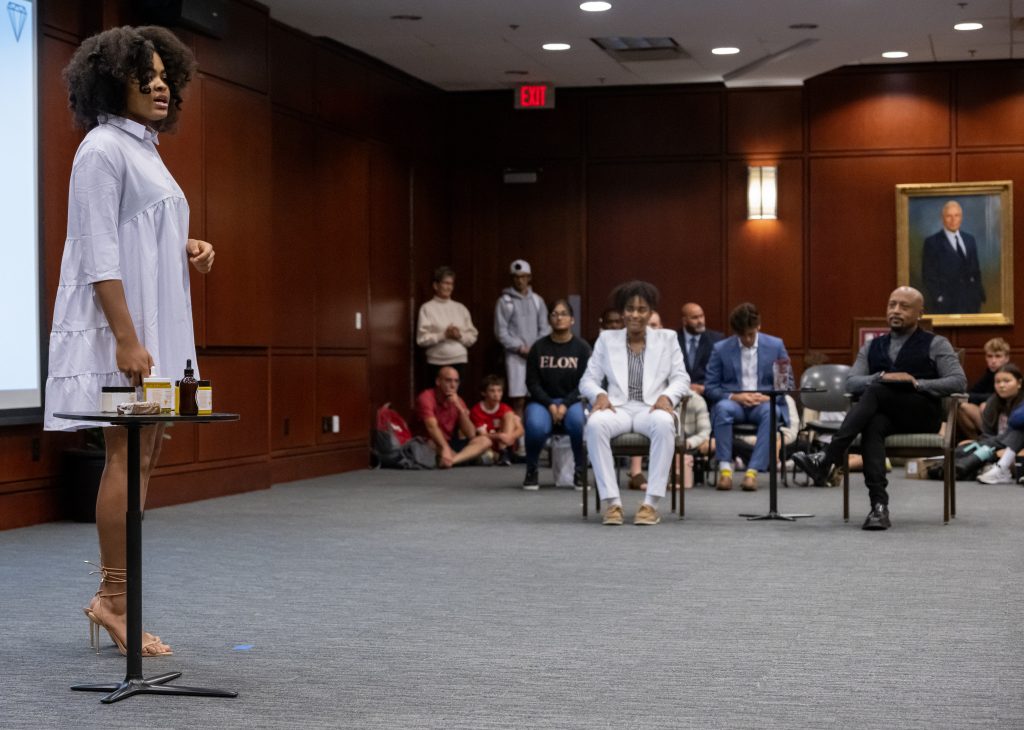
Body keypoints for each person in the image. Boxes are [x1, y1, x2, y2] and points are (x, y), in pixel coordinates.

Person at [43, 26, 211, 657]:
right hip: (126, 334)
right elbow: (97, 251)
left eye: (167, 76)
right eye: (147, 75)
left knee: (145, 457)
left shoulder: (144, 148)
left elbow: (137, 230)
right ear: (113, 81)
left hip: (158, 328)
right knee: (125, 456)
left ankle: (117, 597)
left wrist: (187, 246)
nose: (161, 85)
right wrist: (125, 339)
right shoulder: (102, 147)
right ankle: (113, 601)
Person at [793, 287, 966, 530]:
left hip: (922, 414)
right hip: (887, 416)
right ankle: (879, 507)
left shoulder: (936, 343)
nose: (896, 310)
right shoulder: (872, 346)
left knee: (875, 390)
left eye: (904, 306)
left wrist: (916, 383)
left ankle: (828, 457)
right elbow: (851, 383)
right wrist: (882, 376)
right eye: (892, 304)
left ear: (920, 313)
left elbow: (958, 381)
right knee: (873, 422)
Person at [580, 281, 689, 526]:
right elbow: (588, 379)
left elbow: (681, 378)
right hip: (617, 408)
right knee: (595, 424)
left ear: (650, 313)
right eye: (630, 309)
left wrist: (667, 397)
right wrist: (599, 394)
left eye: (642, 309)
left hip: (650, 408)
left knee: (664, 423)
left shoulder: (667, 338)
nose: (635, 315)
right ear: (622, 312)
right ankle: (612, 503)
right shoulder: (606, 339)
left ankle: (650, 504)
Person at [704, 303, 791, 492]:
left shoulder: (776, 345)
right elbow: (710, 387)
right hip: (734, 404)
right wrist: (735, 396)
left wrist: (769, 397)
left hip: (763, 403)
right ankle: (725, 470)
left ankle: (752, 472)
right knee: (721, 408)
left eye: (751, 334)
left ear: (759, 326)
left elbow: (785, 384)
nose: (747, 339)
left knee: (772, 412)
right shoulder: (720, 349)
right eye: (742, 335)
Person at [523, 298, 591, 490]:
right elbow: (532, 383)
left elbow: (585, 383)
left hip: (573, 401)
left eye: (563, 314)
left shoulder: (582, 348)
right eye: (554, 314)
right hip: (543, 402)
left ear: (572, 320)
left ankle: (580, 471)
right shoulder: (538, 348)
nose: (559, 318)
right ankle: (532, 469)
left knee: (577, 422)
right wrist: (550, 404)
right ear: (549, 320)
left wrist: (565, 405)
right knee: (535, 426)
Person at [494, 259, 549, 418]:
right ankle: (519, 433)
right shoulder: (505, 302)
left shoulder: (537, 300)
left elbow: (545, 328)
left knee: (537, 395)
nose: (520, 280)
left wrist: (534, 348)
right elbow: (501, 332)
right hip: (515, 356)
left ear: (529, 278)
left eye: (523, 276)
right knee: (518, 399)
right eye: (516, 277)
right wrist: (519, 347)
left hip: (536, 355)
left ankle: (535, 430)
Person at [416, 367, 493, 468]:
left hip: (450, 442)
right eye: (448, 380)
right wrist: (445, 448)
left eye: (456, 381)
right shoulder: (426, 397)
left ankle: (453, 460)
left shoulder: (458, 400)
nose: (453, 385)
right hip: (429, 441)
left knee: (485, 440)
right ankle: (467, 458)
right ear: (438, 381)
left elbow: (471, 434)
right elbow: (432, 427)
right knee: (430, 444)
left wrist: (459, 407)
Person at [416, 266, 478, 385]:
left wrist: (459, 336)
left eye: (451, 284)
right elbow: (421, 340)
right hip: (436, 362)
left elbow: (472, 337)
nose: (449, 287)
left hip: (459, 360)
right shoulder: (427, 308)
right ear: (436, 285)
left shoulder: (460, 308)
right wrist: (443, 335)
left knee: (455, 395)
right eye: (446, 283)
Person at [921, 200, 986, 314]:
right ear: (942, 218)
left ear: (961, 217)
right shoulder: (932, 242)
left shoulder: (969, 239)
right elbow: (928, 275)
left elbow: (975, 270)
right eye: (949, 216)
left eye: (957, 215)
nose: (953, 220)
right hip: (947, 304)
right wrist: (939, 297)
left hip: (971, 302)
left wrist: (979, 294)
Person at [966, 364, 1024, 484]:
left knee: (1019, 433)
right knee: (966, 446)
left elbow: (1015, 420)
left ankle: (1000, 467)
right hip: (1001, 445)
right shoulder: (993, 401)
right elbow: (987, 434)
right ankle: (999, 468)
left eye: (1006, 381)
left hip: (1015, 449)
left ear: (1019, 383)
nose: (1002, 385)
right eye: (998, 382)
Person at [957, 337, 1011, 440]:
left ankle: (992, 439)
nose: (993, 361)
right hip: (989, 417)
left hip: (1006, 417)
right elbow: (970, 394)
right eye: (990, 356)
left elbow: (1001, 396)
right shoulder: (989, 374)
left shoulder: (1010, 375)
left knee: (985, 405)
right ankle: (977, 440)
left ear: (1006, 358)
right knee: (962, 407)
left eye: (998, 356)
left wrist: (984, 400)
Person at [469, 375, 524, 466]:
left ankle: (504, 452)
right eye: (492, 391)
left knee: (509, 415)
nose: (496, 394)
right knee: (486, 454)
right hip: (488, 445)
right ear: (483, 393)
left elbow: (521, 430)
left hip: (506, 444)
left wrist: (510, 436)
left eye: (499, 391)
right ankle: (502, 455)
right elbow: (483, 435)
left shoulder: (505, 408)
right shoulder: (476, 410)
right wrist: (499, 436)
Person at [677, 302, 723, 396]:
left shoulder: (716, 339)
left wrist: (705, 388)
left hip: (707, 394)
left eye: (701, 316)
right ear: (684, 321)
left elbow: (721, 372)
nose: (700, 321)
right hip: (678, 393)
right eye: (695, 318)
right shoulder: (674, 339)